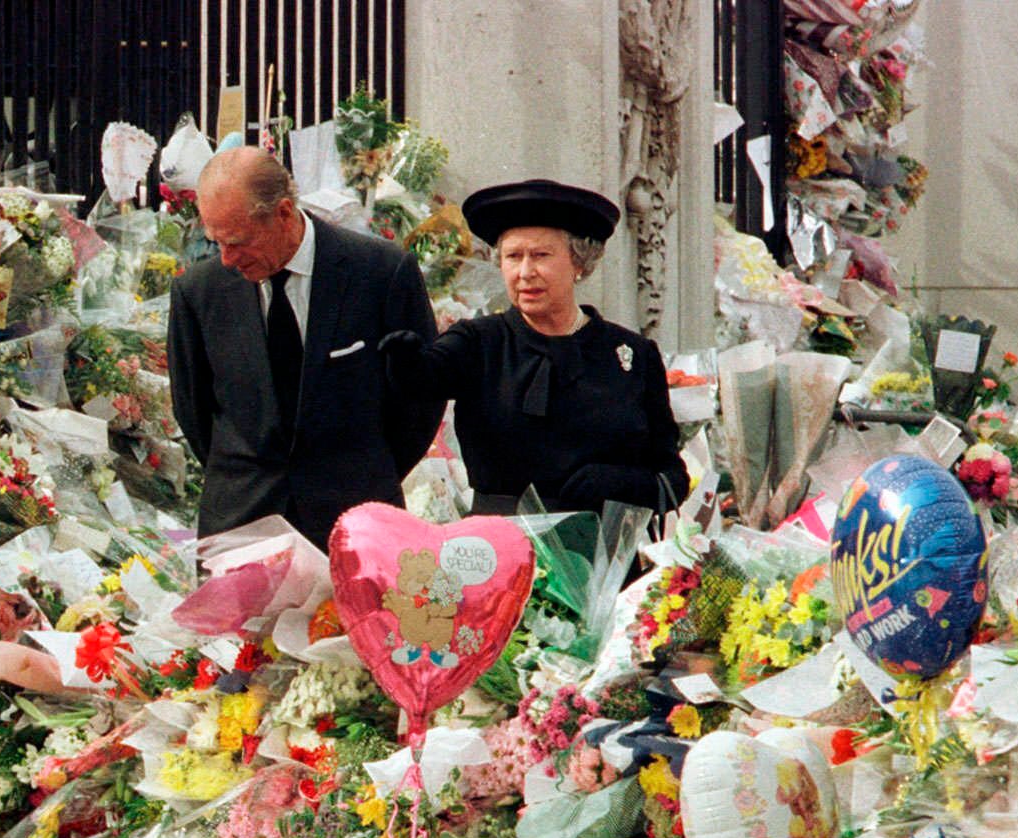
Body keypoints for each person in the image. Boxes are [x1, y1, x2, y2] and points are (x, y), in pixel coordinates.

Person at [166, 147, 444, 547]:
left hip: (356, 523)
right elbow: (192, 410)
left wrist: (364, 473)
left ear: (283, 213)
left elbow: (420, 398)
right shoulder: (199, 292)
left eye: (238, 242)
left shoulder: (380, 273)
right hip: (241, 526)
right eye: (216, 242)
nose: (227, 259)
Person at [379, 179, 687, 516]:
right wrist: (404, 359)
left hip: (606, 553)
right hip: (501, 552)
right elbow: (425, 378)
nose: (525, 272)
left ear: (579, 263)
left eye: (541, 255)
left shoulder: (633, 354)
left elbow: (673, 481)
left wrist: (621, 484)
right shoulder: (478, 342)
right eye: (513, 257)